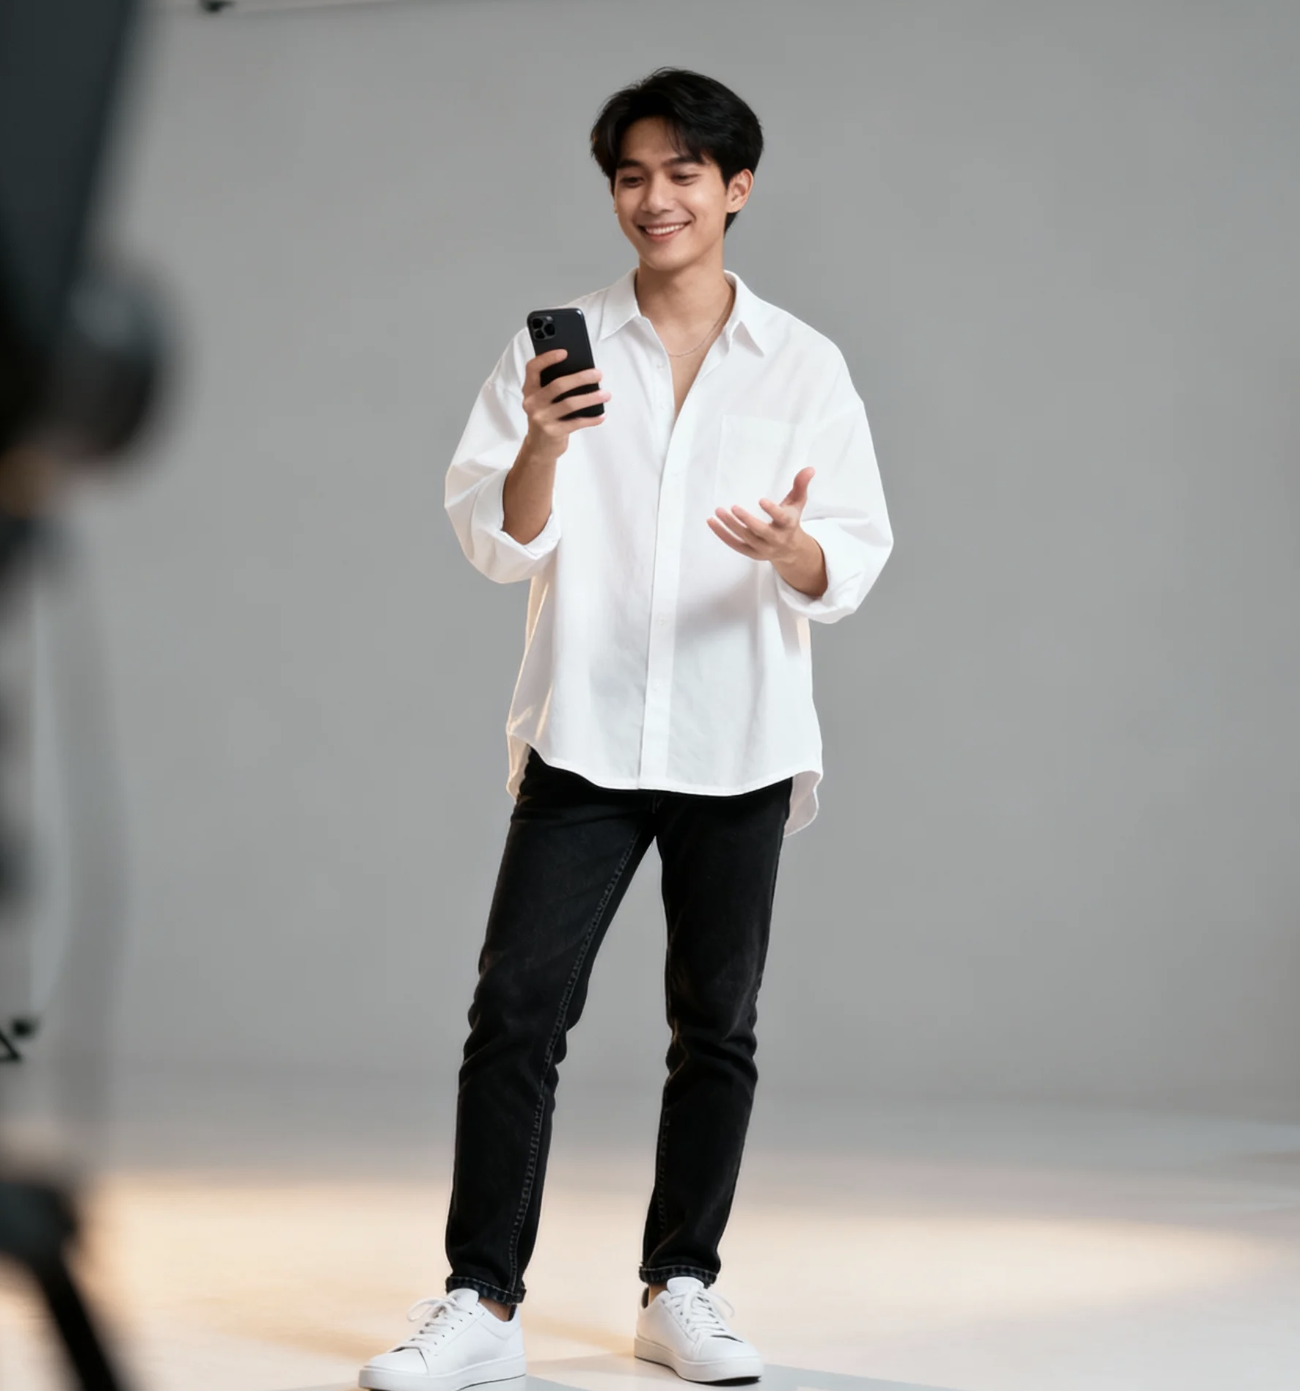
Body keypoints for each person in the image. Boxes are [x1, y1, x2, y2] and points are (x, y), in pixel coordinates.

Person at [360, 67, 893, 1391]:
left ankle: (681, 1287)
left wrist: (792, 547)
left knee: (717, 1026)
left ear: (737, 188)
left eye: (684, 174)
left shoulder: (804, 364)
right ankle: (482, 1299)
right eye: (632, 175)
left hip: (739, 734)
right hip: (586, 730)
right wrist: (542, 442)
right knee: (514, 1011)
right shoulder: (555, 347)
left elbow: (853, 557)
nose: (656, 198)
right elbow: (498, 540)